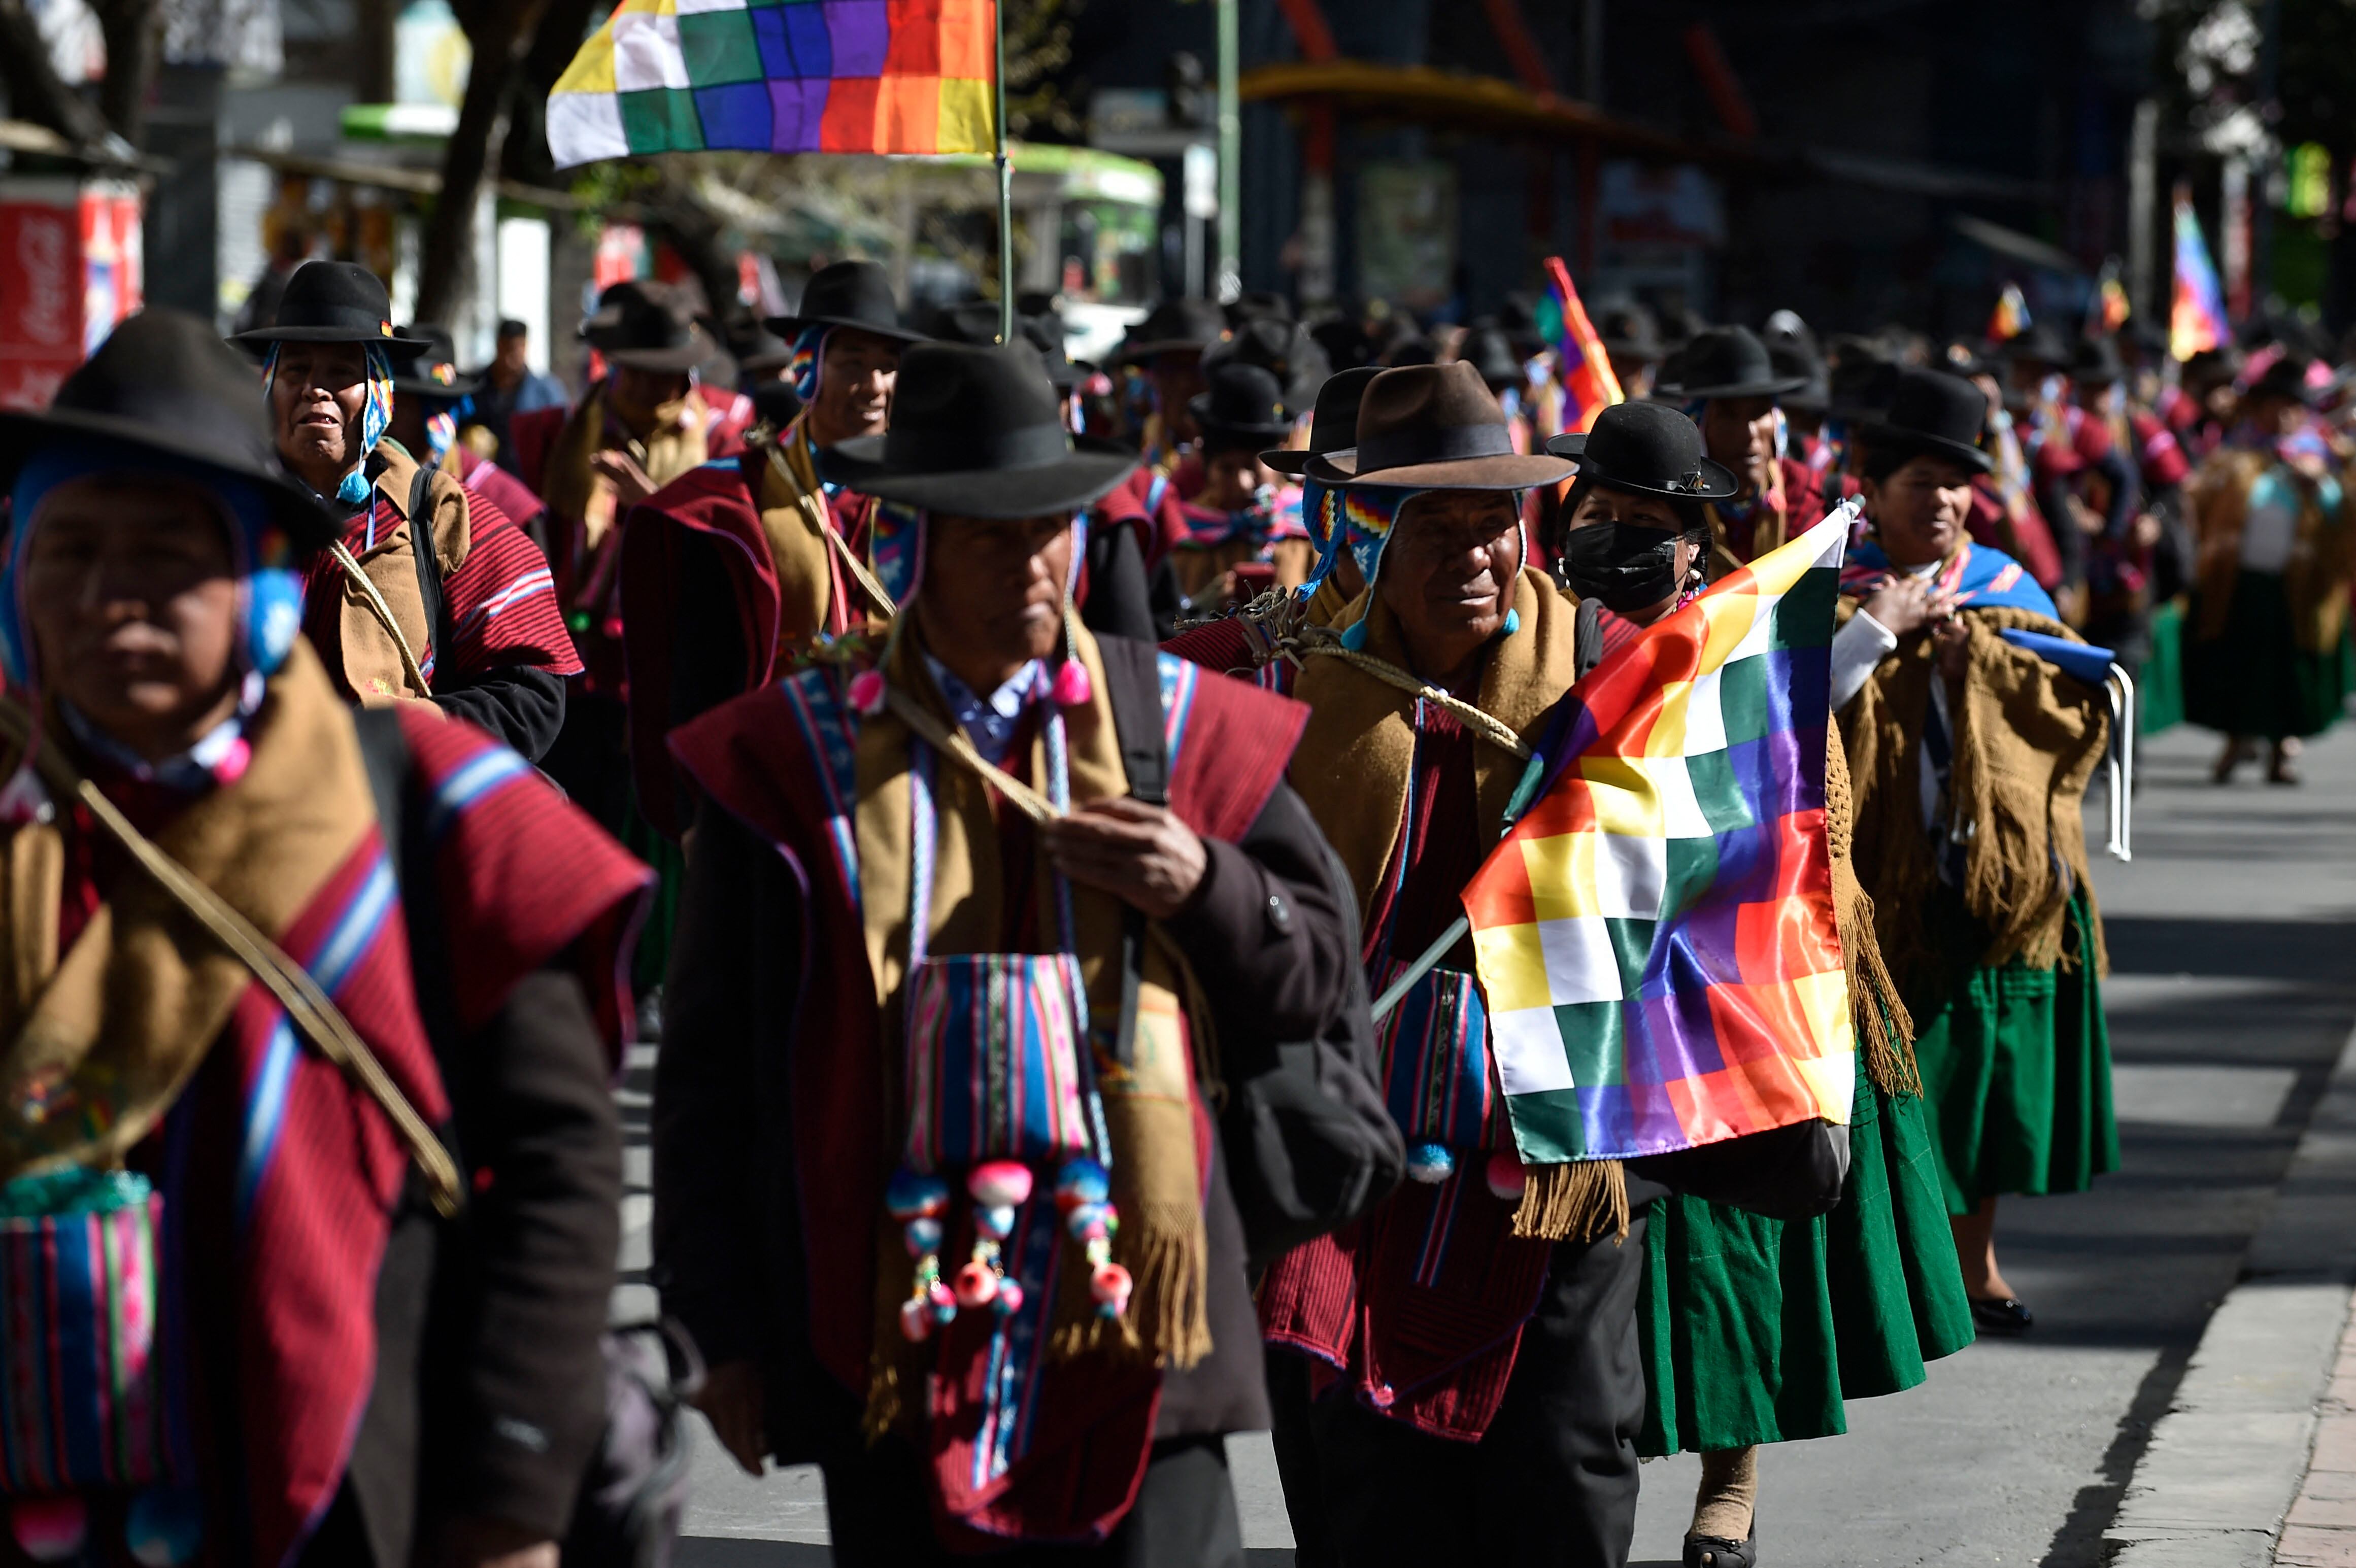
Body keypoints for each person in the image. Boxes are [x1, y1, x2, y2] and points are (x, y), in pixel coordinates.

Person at [651, 340, 1358, 1563]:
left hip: (1143, 1329)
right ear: (918, 540)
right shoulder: (794, 758)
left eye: (1050, 529)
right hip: (892, 1315)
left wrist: (1206, 885)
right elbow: (709, 1067)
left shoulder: (1174, 727)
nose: (1032, 562)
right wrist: (715, 1328)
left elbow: (1319, 972)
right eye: (991, 533)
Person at [0, 308, 648, 1568]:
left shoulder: (428, 812)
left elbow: (558, 1169)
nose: (110, 594)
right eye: (68, 547)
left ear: (257, 580)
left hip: (363, 1488)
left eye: (166, 552)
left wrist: (512, 1495)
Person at [1541, 401, 1973, 1568]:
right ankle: (1578, 1497)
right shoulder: (1537, 636)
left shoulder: (1752, 642)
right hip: (1577, 996)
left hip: (1724, 995)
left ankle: (1728, 1489)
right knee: (1584, 1285)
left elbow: (1811, 823)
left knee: (1732, 1254)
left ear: (1695, 542)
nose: (1618, 535)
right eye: (1600, 512)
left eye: (1648, 522)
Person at [1254, 364, 1667, 1567]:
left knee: (1564, 1469)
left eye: (1494, 525)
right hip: (1357, 1158)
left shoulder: (1611, 673)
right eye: (1436, 529)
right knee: (1369, 1486)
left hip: (1557, 1146)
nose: (1474, 556)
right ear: (1369, 535)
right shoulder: (1292, 686)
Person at [1832, 367, 2117, 1338]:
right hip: (1880, 888)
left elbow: (2076, 713)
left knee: (1986, 1080)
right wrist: (1879, 634)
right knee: (1893, 1082)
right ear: (1871, 490)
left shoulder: (2005, 591)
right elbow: (1786, 714)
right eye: (1920, 482)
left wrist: (1978, 670)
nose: (1942, 501)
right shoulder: (1835, 592)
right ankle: (1897, 1274)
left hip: (1994, 882)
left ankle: (1975, 1261)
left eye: (1956, 484)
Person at [612, 259, 926, 842]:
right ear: (807, 367)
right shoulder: (734, 505)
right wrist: (697, 814)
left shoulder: (926, 499)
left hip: (902, 776)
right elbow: (698, 673)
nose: (876, 385)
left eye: (888, 365)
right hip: (772, 782)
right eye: (853, 363)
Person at [228, 262, 582, 763]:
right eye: (295, 370)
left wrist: (397, 737)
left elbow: (531, 696)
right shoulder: (224, 512)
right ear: (269, 386)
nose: (314, 388)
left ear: (379, 390)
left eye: (341, 372)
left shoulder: (441, 517)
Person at [2183, 355, 2355, 784]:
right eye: (2274, 407)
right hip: (2244, 577)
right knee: (2239, 663)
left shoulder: (2321, 454)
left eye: (2290, 408)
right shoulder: (2238, 453)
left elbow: (2340, 512)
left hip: (2297, 582)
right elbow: (2209, 498)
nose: (2282, 417)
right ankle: (2236, 742)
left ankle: (2281, 751)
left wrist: (2319, 483)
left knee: (2288, 669)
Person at [1677, 327, 1827, 573]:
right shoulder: (1676, 505)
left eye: (1759, 413)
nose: (1749, 433)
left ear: (1778, 422)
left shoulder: (1803, 492)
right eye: (1728, 415)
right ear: (1698, 427)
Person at [1165, 362, 1309, 612]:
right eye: (1226, 469)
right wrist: (1202, 607)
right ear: (1206, 468)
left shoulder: (1311, 527)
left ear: (1278, 461)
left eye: (1253, 467)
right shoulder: (1184, 536)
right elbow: (1166, 620)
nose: (1243, 484)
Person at [466, 318, 567, 468]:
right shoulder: (474, 387)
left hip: (527, 475)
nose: (510, 356)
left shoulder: (546, 392)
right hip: (482, 473)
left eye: (516, 348)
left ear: (525, 347)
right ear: (498, 346)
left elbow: (562, 436)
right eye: (506, 348)